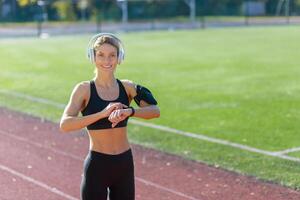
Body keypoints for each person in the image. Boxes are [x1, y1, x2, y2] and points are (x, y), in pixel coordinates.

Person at [59, 33, 160, 200]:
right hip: (98, 165)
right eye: (101, 55)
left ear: (119, 57)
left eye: (112, 55)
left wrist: (130, 111)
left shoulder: (127, 87)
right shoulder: (83, 89)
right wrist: (102, 114)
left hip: (124, 163)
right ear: (92, 56)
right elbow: (65, 124)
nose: (107, 61)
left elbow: (155, 110)